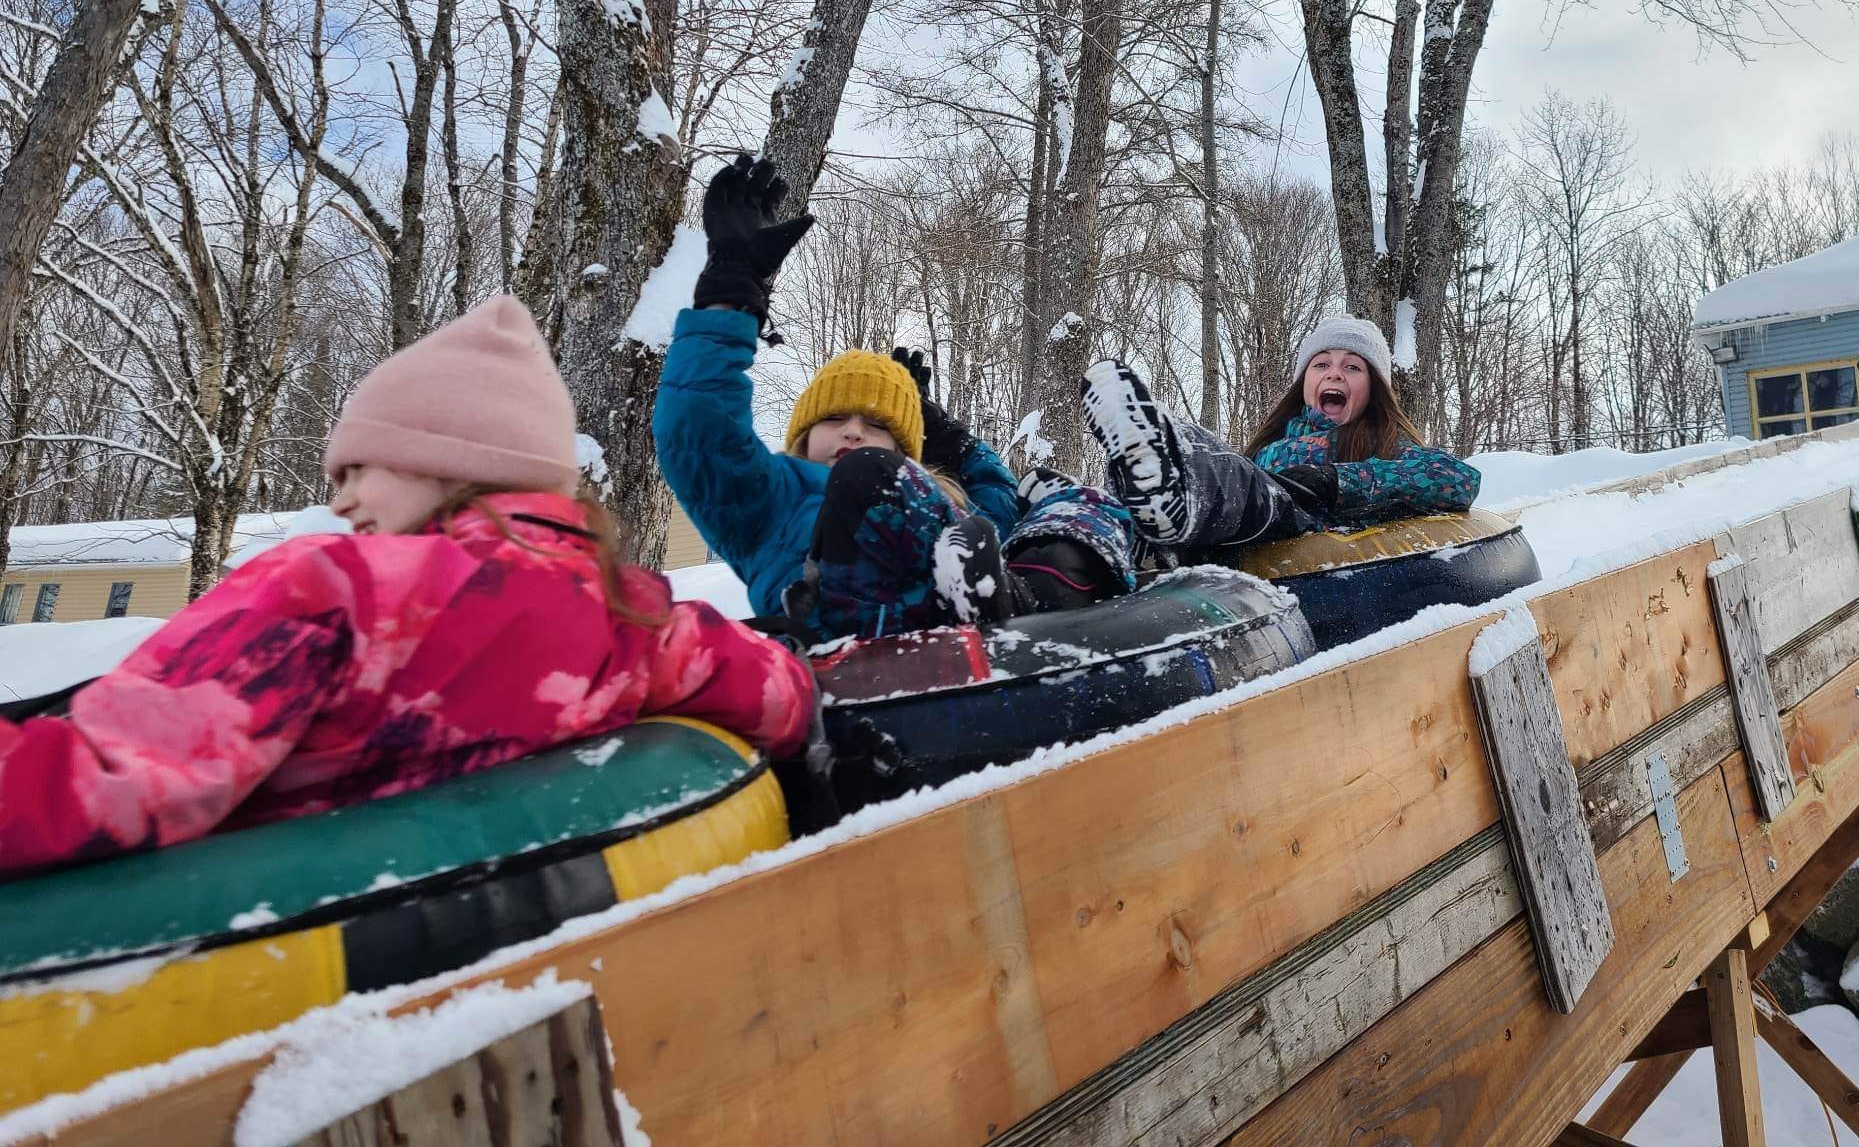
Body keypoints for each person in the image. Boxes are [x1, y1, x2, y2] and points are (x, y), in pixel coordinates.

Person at [0, 296, 817, 877]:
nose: (339, 499)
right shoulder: (631, 614)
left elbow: (113, 775)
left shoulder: (333, 590)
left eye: (360, 469)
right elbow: (779, 694)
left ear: (454, 462)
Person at [654, 155, 1138, 643]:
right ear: (802, 433)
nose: (854, 430)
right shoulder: (767, 497)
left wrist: (941, 431)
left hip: (981, 617)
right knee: (864, 473)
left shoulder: (944, 501)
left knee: (1065, 497)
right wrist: (731, 290)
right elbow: (699, 430)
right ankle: (1011, 599)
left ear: (909, 449)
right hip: (846, 641)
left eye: (878, 424)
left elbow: (996, 494)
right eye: (835, 417)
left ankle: (1150, 510)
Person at [1082, 315, 1481, 553]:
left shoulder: (1383, 442)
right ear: (1304, 382)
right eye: (1321, 364)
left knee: (1249, 488)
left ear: (1373, 388)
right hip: (1239, 538)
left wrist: (1338, 481)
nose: (1334, 373)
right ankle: (1129, 500)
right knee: (1214, 456)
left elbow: (1459, 478)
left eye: (1353, 367)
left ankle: (1171, 486)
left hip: (1307, 534)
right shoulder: (1271, 447)